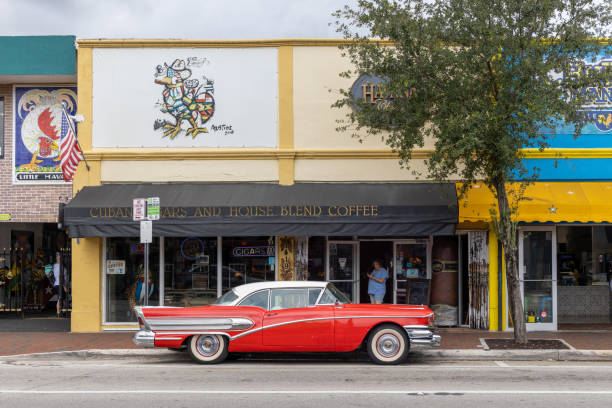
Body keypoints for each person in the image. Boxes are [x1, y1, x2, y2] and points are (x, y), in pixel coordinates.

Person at [53, 253, 68, 318]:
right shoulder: (60, 267)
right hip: (60, 284)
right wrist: (64, 286)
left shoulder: (55, 266)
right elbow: (60, 277)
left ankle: (62, 311)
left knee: (62, 298)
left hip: (57, 284)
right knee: (60, 298)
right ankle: (58, 312)